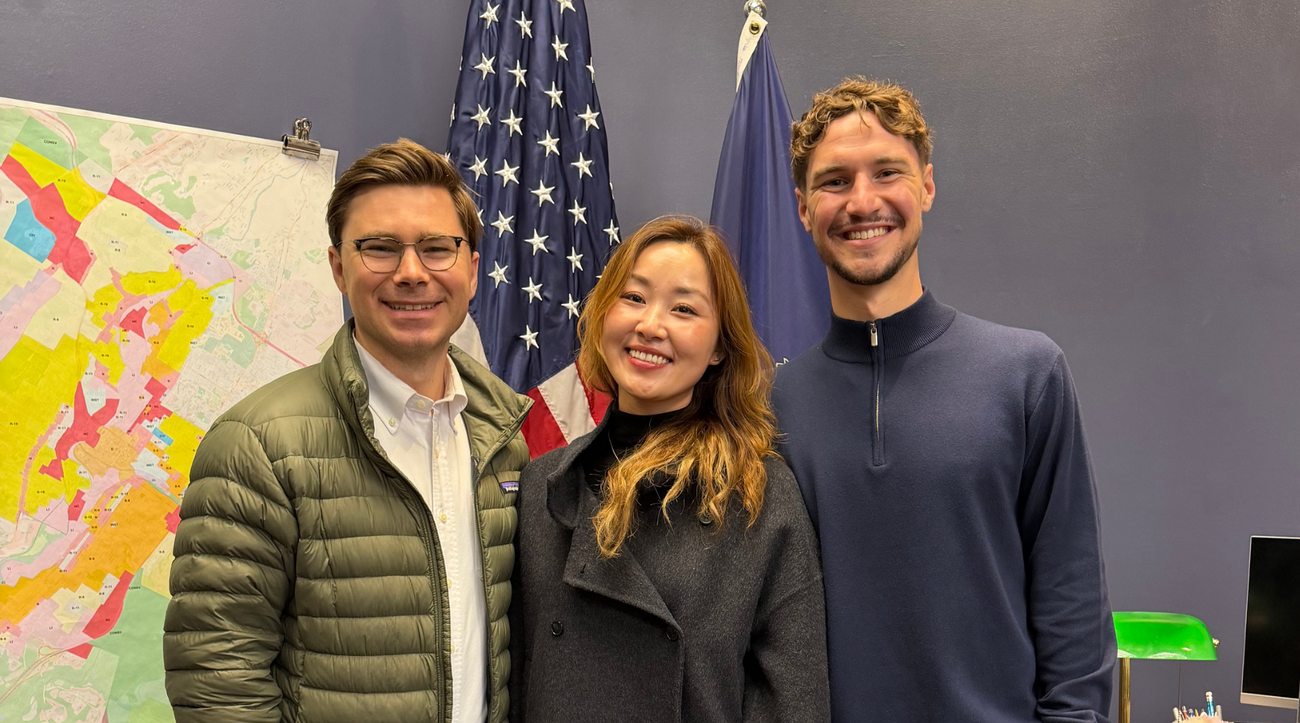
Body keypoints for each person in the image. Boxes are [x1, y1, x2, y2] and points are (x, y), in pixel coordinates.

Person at [772, 78, 1116, 721]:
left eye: (887, 172)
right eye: (835, 181)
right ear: (803, 207)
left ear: (926, 186)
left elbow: (1073, 612)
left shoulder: (1027, 375)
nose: (862, 201)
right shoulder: (769, 406)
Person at [163, 139, 531, 723]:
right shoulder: (257, 446)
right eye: (379, 249)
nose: (412, 273)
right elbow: (218, 684)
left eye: (438, 249)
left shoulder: (503, 440)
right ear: (339, 268)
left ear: (471, 269)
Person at [510, 216, 830, 722]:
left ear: (720, 346)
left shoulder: (759, 496)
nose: (650, 326)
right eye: (634, 297)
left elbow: (794, 704)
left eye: (683, 309)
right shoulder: (541, 487)